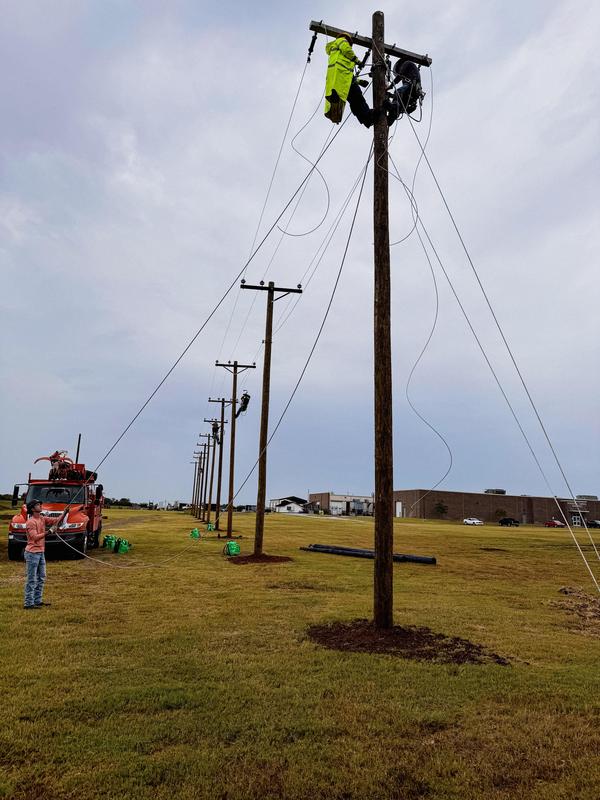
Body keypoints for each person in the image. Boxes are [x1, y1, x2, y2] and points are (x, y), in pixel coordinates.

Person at [23, 500, 67, 609]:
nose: (40, 506)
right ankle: (28, 603)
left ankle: (37, 601)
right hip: (32, 553)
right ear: (32, 509)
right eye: (38, 505)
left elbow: (55, 521)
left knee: (42, 577)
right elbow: (34, 537)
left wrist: (64, 513)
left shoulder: (42, 518)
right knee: (32, 579)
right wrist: (49, 532)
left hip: (41, 552)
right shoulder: (31, 522)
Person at [324, 33, 374, 128]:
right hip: (342, 77)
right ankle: (367, 116)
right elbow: (347, 50)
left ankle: (366, 120)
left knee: (354, 100)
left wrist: (359, 81)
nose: (349, 45)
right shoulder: (342, 41)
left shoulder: (337, 54)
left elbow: (348, 75)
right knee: (357, 98)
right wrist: (357, 61)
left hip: (341, 78)